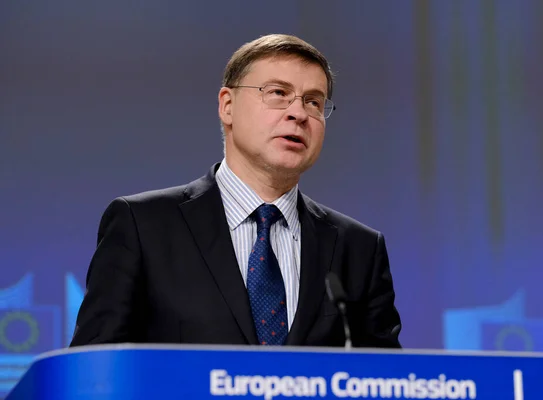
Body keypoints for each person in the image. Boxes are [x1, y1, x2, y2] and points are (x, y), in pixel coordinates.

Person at [70, 34, 401, 348]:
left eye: (314, 102)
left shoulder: (359, 249)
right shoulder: (142, 226)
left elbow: (385, 381)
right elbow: (95, 371)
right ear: (227, 105)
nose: (299, 113)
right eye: (277, 93)